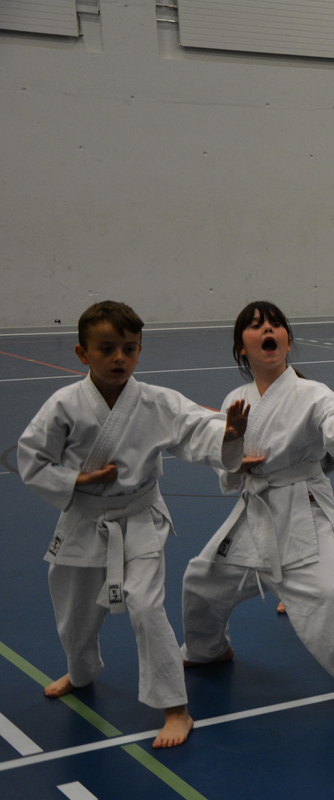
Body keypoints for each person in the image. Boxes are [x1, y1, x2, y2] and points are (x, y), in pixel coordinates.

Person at [17, 302, 248, 749]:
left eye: (129, 348)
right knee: (74, 610)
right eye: (107, 349)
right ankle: (81, 672)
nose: (119, 358)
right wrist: (78, 479)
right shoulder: (63, 405)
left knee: (145, 606)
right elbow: (33, 458)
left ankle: (175, 707)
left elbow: (195, 426)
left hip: (139, 519)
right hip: (85, 519)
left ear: (140, 350)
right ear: (82, 353)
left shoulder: (156, 401)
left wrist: (229, 434)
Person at [180, 302, 334, 709]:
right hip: (255, 512)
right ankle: (207, 649)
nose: (268, 330)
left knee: (329, 595)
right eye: (256, 326)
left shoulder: (312, 393)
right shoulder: (236, 399)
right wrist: (235, 453)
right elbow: (226, 461)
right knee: (201, 581)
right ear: (241, 348)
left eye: (276, 324)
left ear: (288, 341)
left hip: (301, 510)